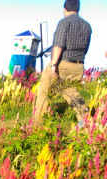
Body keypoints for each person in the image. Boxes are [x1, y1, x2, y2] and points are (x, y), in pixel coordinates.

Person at [33, 0, 92, 128]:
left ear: (64, 9)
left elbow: (58, 45)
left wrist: (54, 64)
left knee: (44, 88)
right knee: (70, 90)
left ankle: (36, 124)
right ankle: (85, 119)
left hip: (63, 64)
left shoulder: (64, 22)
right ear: (78, 9)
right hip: (79, 65)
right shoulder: (87, 26)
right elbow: (86, 48)